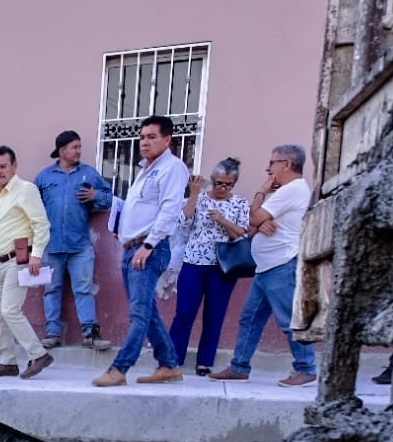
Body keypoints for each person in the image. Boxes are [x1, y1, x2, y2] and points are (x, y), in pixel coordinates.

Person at [92, 115, 190, 388]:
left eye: (151, 137)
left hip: (149, 249)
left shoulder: (172, 168)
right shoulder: (147, 169)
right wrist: (123, 229)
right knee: (148, 311)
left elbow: (170, 211)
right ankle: (169, 365)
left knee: (139, 314)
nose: (144, 142)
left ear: (167, 139)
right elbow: (145, 209)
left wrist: (148, 246)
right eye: (142, 137)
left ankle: (119, 368)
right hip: (133, 247)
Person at [210, 144, 317, 387]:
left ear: (287, 164)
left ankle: (306, 368)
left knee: (289, 320)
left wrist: (261, 193)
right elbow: (256, 225)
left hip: (281, 265)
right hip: (266, 267)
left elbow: (253, 217)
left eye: (272, 163)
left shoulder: (293, 190)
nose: (268, 168)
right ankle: (239, 367)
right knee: (250, 318)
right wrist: (262, 219)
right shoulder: (286, 192)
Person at [167, 159, 251, 376]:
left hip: (222, 267)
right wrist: (194, 195)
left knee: (214, 315)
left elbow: (240, 233)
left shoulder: (240, 203)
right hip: (193, 263)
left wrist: (222, 219)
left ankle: (205, 362)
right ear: (212, 180)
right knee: (184, 313)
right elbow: (183, 223)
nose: (222, 188)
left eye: (228, 185)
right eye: (219, 183)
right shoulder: (199, 199)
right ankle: (173, 359)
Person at [33, 131, 114, 350]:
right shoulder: (44, 177)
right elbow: (32, 209)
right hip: (51, 246)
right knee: (51, 289)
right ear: (62, 151)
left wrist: (95, 196)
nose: (79, 151)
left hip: (80, 246)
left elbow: (109, 197)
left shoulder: (88, 174)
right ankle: (52, 333)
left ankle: (91, 335)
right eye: (74, 147)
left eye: (79, 147)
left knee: (84, 289)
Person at [0, 145, 55, 380]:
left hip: (18, 261)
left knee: (10, 310)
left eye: (3, 167)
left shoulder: (25, 190)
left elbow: (41, 224)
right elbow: (2, 228)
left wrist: (37, 255)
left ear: (15, 166)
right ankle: (8, 362)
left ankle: (38, 354)